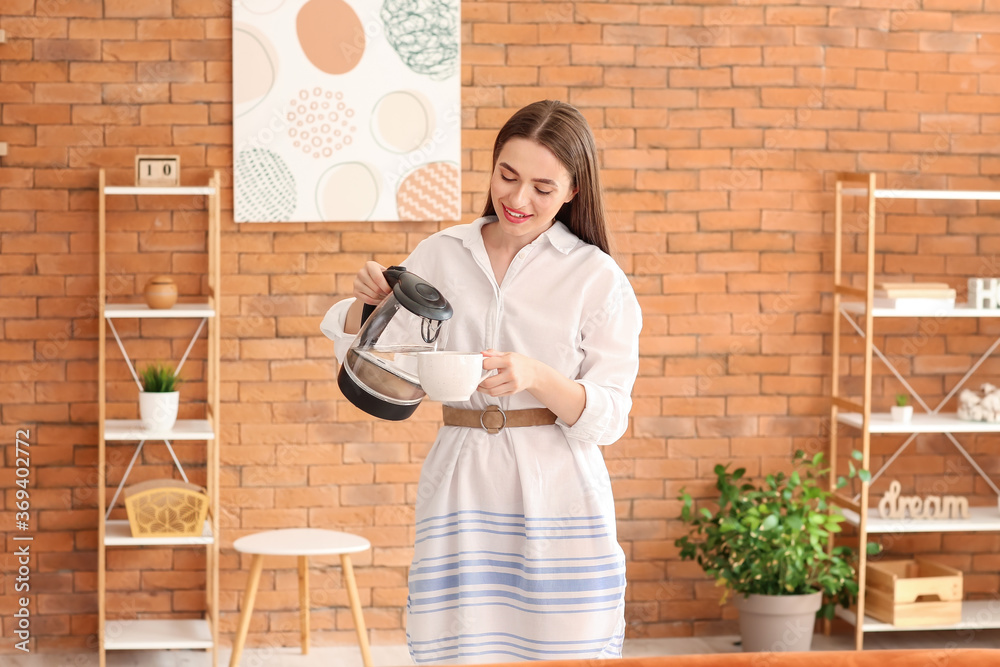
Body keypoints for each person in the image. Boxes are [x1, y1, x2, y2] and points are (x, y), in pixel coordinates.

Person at [321, 100, 642, 664]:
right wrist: (365, 307)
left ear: (573, 191)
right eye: (507, 176)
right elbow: (385, 358)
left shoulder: (595, 276)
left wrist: (536, 375)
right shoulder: (442, 253)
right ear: (492, 166)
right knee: (462, 649)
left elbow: (611, 417)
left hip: (559, 487)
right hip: (462, 477)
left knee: (560, 648)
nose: (518, 200)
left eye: (543, 187)